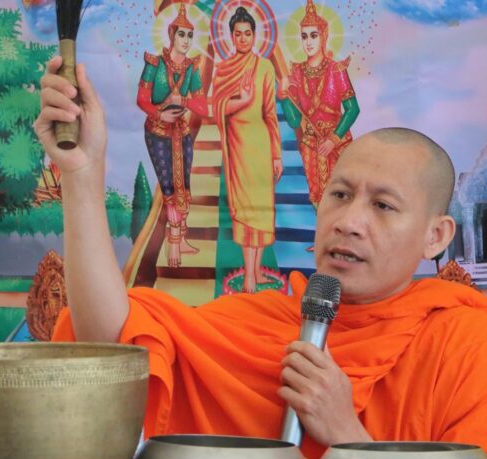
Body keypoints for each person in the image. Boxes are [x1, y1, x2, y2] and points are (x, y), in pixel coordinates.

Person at [34, 60, 487, 459]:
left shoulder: (476, 345)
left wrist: (348, 437)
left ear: (436, 236)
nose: (349, 222)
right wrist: (83, 176)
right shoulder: (260, 322)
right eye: (339, 195)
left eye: (383, 206)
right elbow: (113, 348)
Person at [212, 6, 282, 293]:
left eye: (248, 33)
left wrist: (276, 154)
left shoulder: (265, 67)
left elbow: (270, 114)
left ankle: (257, 271)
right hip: (238, 145)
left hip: (260, 144)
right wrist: (241, 101)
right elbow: (217, 108)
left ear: (255, 35)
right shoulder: (223, 69)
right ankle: (249, 275)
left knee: (261, 209)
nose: (243, 39)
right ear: (231, 36)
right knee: (244, 209)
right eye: (238, 34)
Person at [136, 4, 208, 267]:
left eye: (190, 36)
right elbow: (142, 99)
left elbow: (202, 106)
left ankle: (182, 238)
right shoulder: (155, 64)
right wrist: (159, 115)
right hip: (158, 133)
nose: (186, 40)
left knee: (184, 186)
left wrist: (184, 101)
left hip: (182, 132)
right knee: (168, 187)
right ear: (171, 35)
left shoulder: (191, 68)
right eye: (181, 34)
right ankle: (174, 242)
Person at [279, 0, 359, 210]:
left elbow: (353, 109)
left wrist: (333, 139)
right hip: (311, 145)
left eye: (313, 35)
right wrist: (284, 96)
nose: (308, 41)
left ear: (324, 36)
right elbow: (295, 120)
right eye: (304, 36)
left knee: (343, 194)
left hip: (336, 144)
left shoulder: (336, 70)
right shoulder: (297, 72)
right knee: (317, 197)